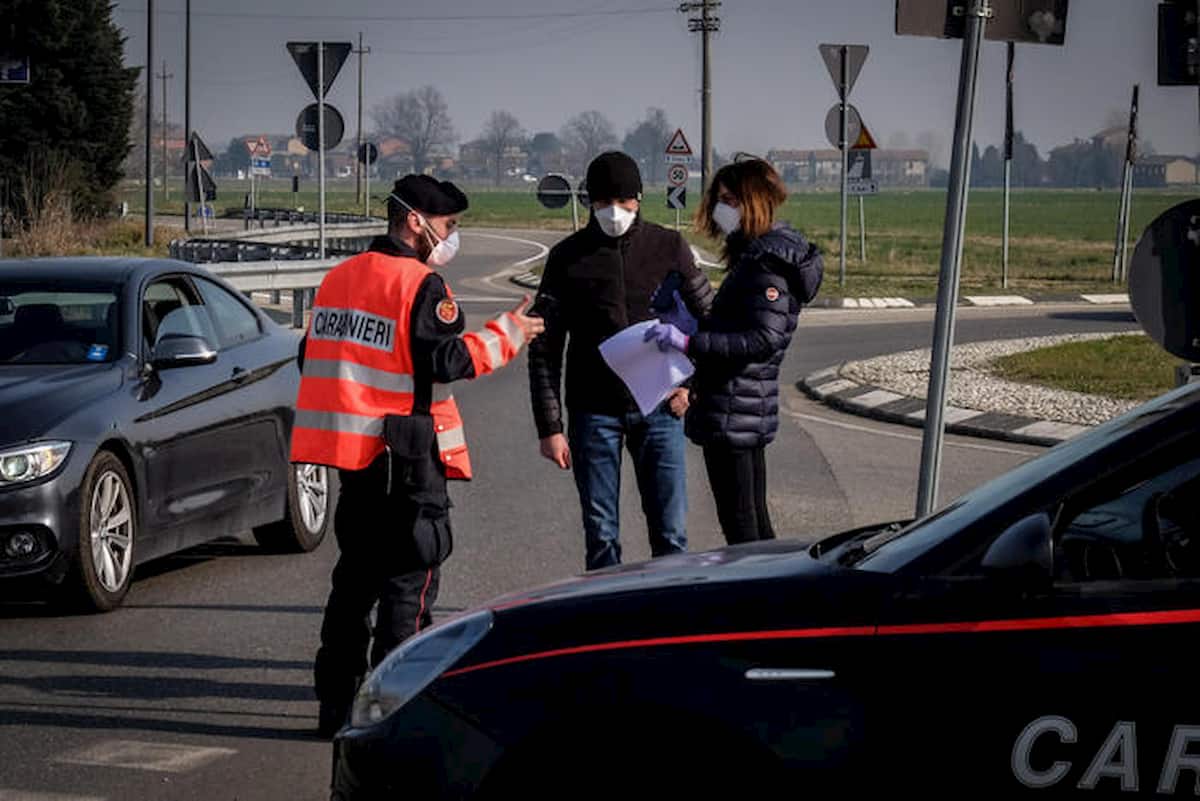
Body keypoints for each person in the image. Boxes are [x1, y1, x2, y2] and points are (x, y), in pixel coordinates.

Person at [290, 174, 545, 737]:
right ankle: (392, 714)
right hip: (407, 459)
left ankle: (334, 707)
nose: (450, 237)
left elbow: (312, 357)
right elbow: (446, 361)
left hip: (354, 458)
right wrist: (509, 333)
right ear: (416, 221)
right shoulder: (420, 284)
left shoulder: (338, 278)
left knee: (353, 586)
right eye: (448, 226)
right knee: (409, 586)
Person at [529, 151, 714, 571]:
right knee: (601, 535)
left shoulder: (669, 247)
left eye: (623, 201)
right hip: (593, 412)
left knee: (671, 533)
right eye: (603, 202)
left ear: (639, 199)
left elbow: (709, 324)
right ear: (589, 202)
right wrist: (550, 427)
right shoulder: (567, 258)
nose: (614, 211)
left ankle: (667, 605)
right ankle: (606, 607)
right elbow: (544, 349)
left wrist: (693, 387)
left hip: (661, 409)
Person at [645, 157, 823, 545]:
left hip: (735, 404)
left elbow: (763, 337)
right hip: (738, 404)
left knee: (743, 529)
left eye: (729, 200)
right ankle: (769, 585)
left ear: (753, 202)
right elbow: (741, 325)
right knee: (752, 527)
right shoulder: (758, 256)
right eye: (718, 200)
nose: (719, 209)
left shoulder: (766, 264)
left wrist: (689, 343)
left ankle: (761, 588)